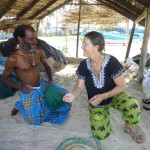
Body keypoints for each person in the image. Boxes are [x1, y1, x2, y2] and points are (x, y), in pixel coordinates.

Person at [63, 31, 145, 143]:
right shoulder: (83, 65)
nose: (82, 46)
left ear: (96, 47)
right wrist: (72, 95)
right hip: (97, 101)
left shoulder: (112, 62)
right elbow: (79, 87)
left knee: (132, 105)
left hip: (115, 95)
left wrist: (104, 95)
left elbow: (121, 86)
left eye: (85, 44)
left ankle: (129, 126)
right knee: (101, 135)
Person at [1, 24, 71, 125]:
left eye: (35, 38)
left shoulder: (38, 51)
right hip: (27, 90)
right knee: (35, 122)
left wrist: (50, 79)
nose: (35, 42)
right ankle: (20, 105)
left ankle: (24, 104)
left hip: (42, 84)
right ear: (20, 39)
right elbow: (4, 79)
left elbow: (47, 66)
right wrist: (21, 88)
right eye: (31, 39)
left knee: (65, 99)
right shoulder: (14, 59)